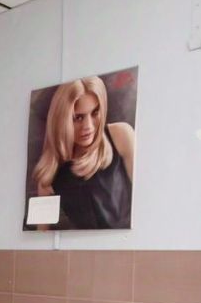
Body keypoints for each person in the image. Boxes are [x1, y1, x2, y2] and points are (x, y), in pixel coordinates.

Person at [31, 75, 135, 229]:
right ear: (61, 120)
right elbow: (41, 235)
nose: (88, 127)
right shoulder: (48, 173)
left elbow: (146, 198)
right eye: (78, 117)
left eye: (95, 112)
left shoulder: (121, 135)